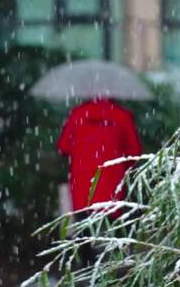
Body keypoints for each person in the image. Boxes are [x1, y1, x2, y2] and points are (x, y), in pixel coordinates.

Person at [57, 97, 142, 265]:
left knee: (84, 225)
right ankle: (117, 263)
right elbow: (135, 152)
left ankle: (86, 264)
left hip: (82, 181)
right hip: (112, 180)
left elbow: (63, 147)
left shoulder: (78, 114)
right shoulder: (122, 116)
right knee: (115, 223)